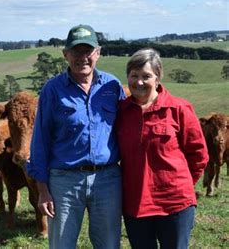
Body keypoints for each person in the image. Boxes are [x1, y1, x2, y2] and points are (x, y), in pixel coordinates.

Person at [27, 24, 126, 248]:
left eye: (88, 51)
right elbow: (40, 141)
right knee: (62, 243)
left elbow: (127, 130)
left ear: (98, 53)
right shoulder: (53, 89)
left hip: (107, 179)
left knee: (109, 244)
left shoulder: (112, 86)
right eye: (76, 51)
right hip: (64, 180)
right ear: (65, 54)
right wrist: (43, 191)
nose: (83, 57)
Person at [116, 48, 208, 248]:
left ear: (158, 79)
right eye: (134, 76)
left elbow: (198, 154)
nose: (139, 82)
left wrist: (180, 185)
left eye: (146, 76)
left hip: (174, 204)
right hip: (135, 204)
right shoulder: (121, 111)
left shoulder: (179, 109)